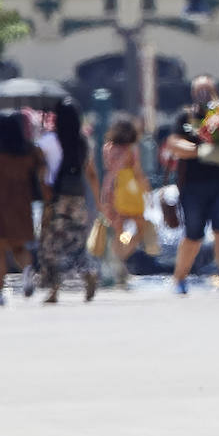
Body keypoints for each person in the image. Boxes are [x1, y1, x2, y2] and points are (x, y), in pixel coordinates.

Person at [165, 76, 219, 294]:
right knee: (193, 234)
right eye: (200, 90)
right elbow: (174, 145)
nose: (204, 95)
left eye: (208, 90)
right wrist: (202, 151)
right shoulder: (185, 116)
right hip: (192, 186)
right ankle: (179, 279)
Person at [0, 110, 45, 305]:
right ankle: (28, 269)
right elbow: (41, 171)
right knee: (18, 246)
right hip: (22, 205)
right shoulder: (29, 151)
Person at [38, 97, 99, 304]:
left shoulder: (48, 141)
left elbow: (41, 172)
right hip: (78, 197)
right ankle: (87, 272)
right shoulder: (84, 142)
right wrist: (98, 202)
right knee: (76, 242)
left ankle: (54, 290)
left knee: (51, 245)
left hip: (56, 198)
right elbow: (91, 173)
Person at [100, 115, 151, 275]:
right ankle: (120, 259)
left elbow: (108, 167)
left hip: (109, 188)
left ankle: (117, 265)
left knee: (117, 229)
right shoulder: (131, 150)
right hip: (127, 190)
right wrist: (147, 190)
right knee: (140, 226)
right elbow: (137, 172)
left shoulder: (107, 148)